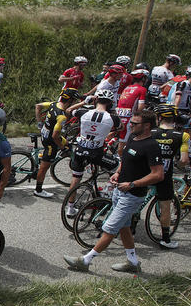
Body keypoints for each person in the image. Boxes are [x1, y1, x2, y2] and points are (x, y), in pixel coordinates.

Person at [64, 111, 164, 274]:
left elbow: (158, 175)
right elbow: (125, 160)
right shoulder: (133, 138)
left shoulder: (151, 146)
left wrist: (132, 184)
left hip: (132, 195)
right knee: (124, 227)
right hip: (120, 190)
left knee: (109, 228)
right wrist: (118, 172)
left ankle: (85, 261)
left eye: (135, 123)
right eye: (131, 122)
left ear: (147, 126)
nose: (130, 125)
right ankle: (133, 262)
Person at [63, 89, 120, 218]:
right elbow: (120, 128)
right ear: (110, 103)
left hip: (80, 150)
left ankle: (70, 208)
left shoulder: (83, 112)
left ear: (95, 100)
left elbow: (68, 110)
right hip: (96, 153)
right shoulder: (112, 118)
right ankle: (107, 194)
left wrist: (84, 101)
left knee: (76, 178)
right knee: (118, 167)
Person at [151, 104, 190, 248]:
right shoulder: (182, 136)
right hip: (164, 174)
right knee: (165, 205)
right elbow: (184, 160)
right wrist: (177, 164)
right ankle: (165, 239)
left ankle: (133, 227)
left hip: (146, 170)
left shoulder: (150, 131)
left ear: (159, 117)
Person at [32, 88, 81, 198]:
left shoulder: (53, 104)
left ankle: (43, 157)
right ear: (70, 100)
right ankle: (38, 190)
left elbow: (38, 106)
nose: (75, 103)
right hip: (50, 141)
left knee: (67, 144)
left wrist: (39, 123)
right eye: (75, 101)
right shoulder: (61, 116)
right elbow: (55, 137)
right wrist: (62, 148)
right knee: (44, 168)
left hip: (45, 133)